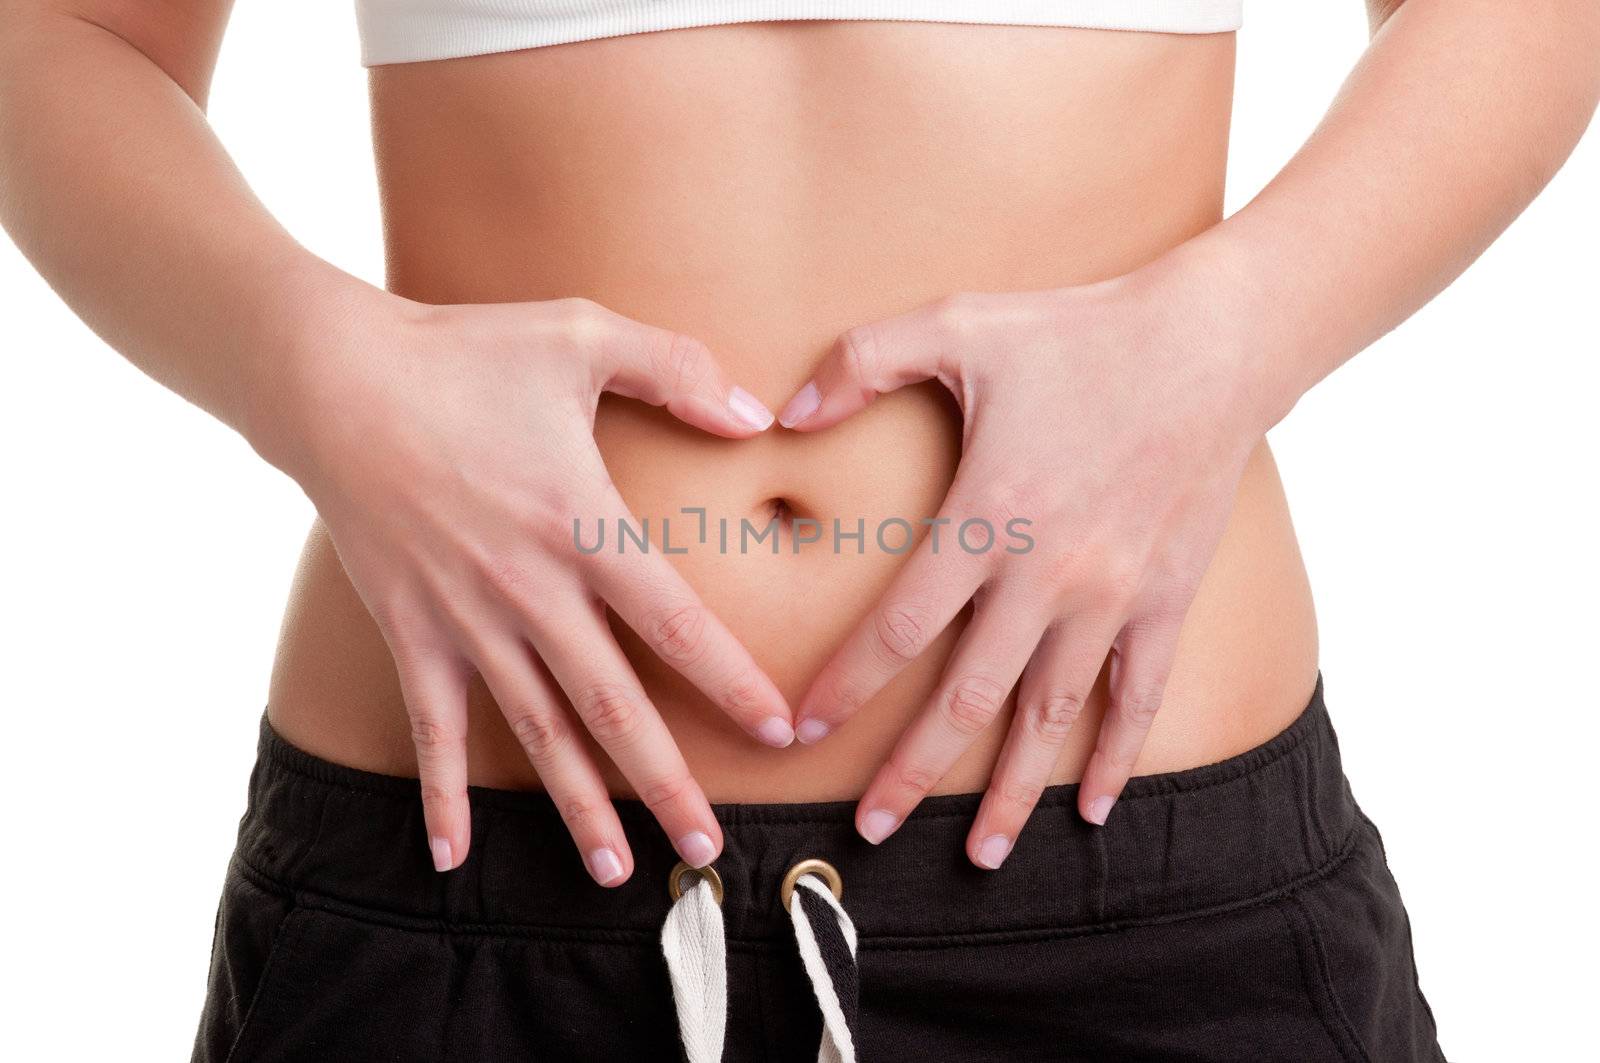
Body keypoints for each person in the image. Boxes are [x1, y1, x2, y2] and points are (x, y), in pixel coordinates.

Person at [2, 0, 1593, 1059]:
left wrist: (1241, 330)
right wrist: (317, 369)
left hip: (1137, 890)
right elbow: (64, 34)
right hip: (468, 897)